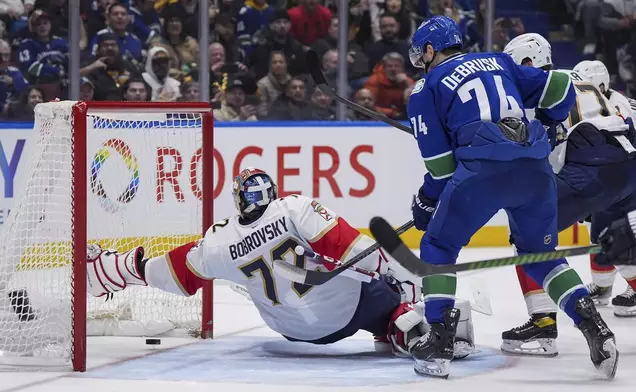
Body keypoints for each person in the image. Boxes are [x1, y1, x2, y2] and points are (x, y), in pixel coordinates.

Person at [85, 168, 475, 374]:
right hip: (344, 311)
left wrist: (119, 269)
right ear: (271, 192)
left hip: (290, 330)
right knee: (392, 295)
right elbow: (355, 251)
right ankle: (411, 332)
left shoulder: (219, 242)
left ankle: (103, 272)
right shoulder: (293, 208)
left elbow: (172, 273)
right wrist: (402, 276)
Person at [406, 16, 617, 378]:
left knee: (439, 247)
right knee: (541, 257)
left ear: (429, 49)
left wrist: (426, 202)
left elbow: (441, 171)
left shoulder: (426, 90)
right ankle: (595, 326)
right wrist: (549, 124)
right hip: (535, 171)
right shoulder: (499, 62)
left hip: (482, 175)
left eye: (421, 55)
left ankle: (439, 340)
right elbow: (562, 84)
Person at [501, 33, 636, 358]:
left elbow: (531, 150)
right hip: (630, 168)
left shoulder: (536, 87)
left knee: (528, 230)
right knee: (616, 242)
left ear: (529, 61)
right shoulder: (577, 77)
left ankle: (543, 322)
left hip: (592, 167)